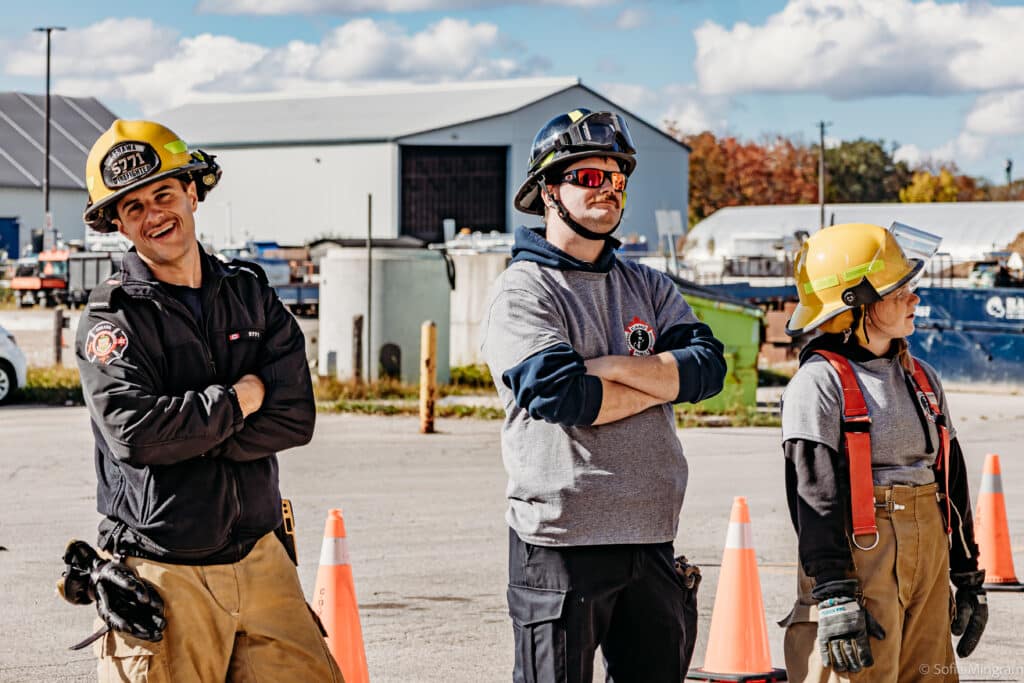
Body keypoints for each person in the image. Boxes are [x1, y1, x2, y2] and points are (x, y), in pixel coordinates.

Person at [74, 120, 344, 682]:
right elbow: (138, 436)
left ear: (193, 192)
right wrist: (242, 397)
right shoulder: (112, 317)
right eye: (133, 208)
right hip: (163, 570)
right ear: (118, 224)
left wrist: (192, 436)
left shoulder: (249, 292)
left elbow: (296, 417)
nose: (154, 215)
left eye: (164, 194)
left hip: (263, 559)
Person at [481, 108, 727, 683]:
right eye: (589, 178)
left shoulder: (649, 285)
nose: (608, 190)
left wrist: (614, 365)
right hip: (563, 542)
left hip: (652, 539)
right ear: (548, 191)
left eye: (617, 180)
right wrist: (657, 381)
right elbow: (565, 396)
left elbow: (708, 370)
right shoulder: (523, 291)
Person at [780, 223, 987, 681]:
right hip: (860, 562)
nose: (913, 297)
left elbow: (950, 478)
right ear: (856, 305)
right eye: (899, 290)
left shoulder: (923, 377)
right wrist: (833, 593)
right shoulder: (817, 384)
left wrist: (967, 574)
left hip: (927, 555)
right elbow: (814, 495)